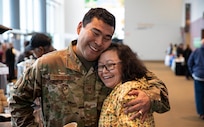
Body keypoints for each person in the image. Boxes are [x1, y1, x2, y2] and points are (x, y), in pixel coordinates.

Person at [9, 8, 170, 127]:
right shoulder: (48, 64)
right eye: (95, 33)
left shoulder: (112, 62)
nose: (99, 42)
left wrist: (149, 97)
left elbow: (160, 90)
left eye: (107, 37)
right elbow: (18, 100)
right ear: (80, 28)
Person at [98, 43, 170, 127]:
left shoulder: (130, 94)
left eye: (110, 65)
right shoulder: (118, 89)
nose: (104, 71)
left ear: (125, 65)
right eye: (100, 66)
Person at [187, 39, 204, 120]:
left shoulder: (196, 51)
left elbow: (189, 62)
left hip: (198, 76)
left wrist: (192, 73)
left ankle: (201, 113)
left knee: (199, 96)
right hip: (199, 75)